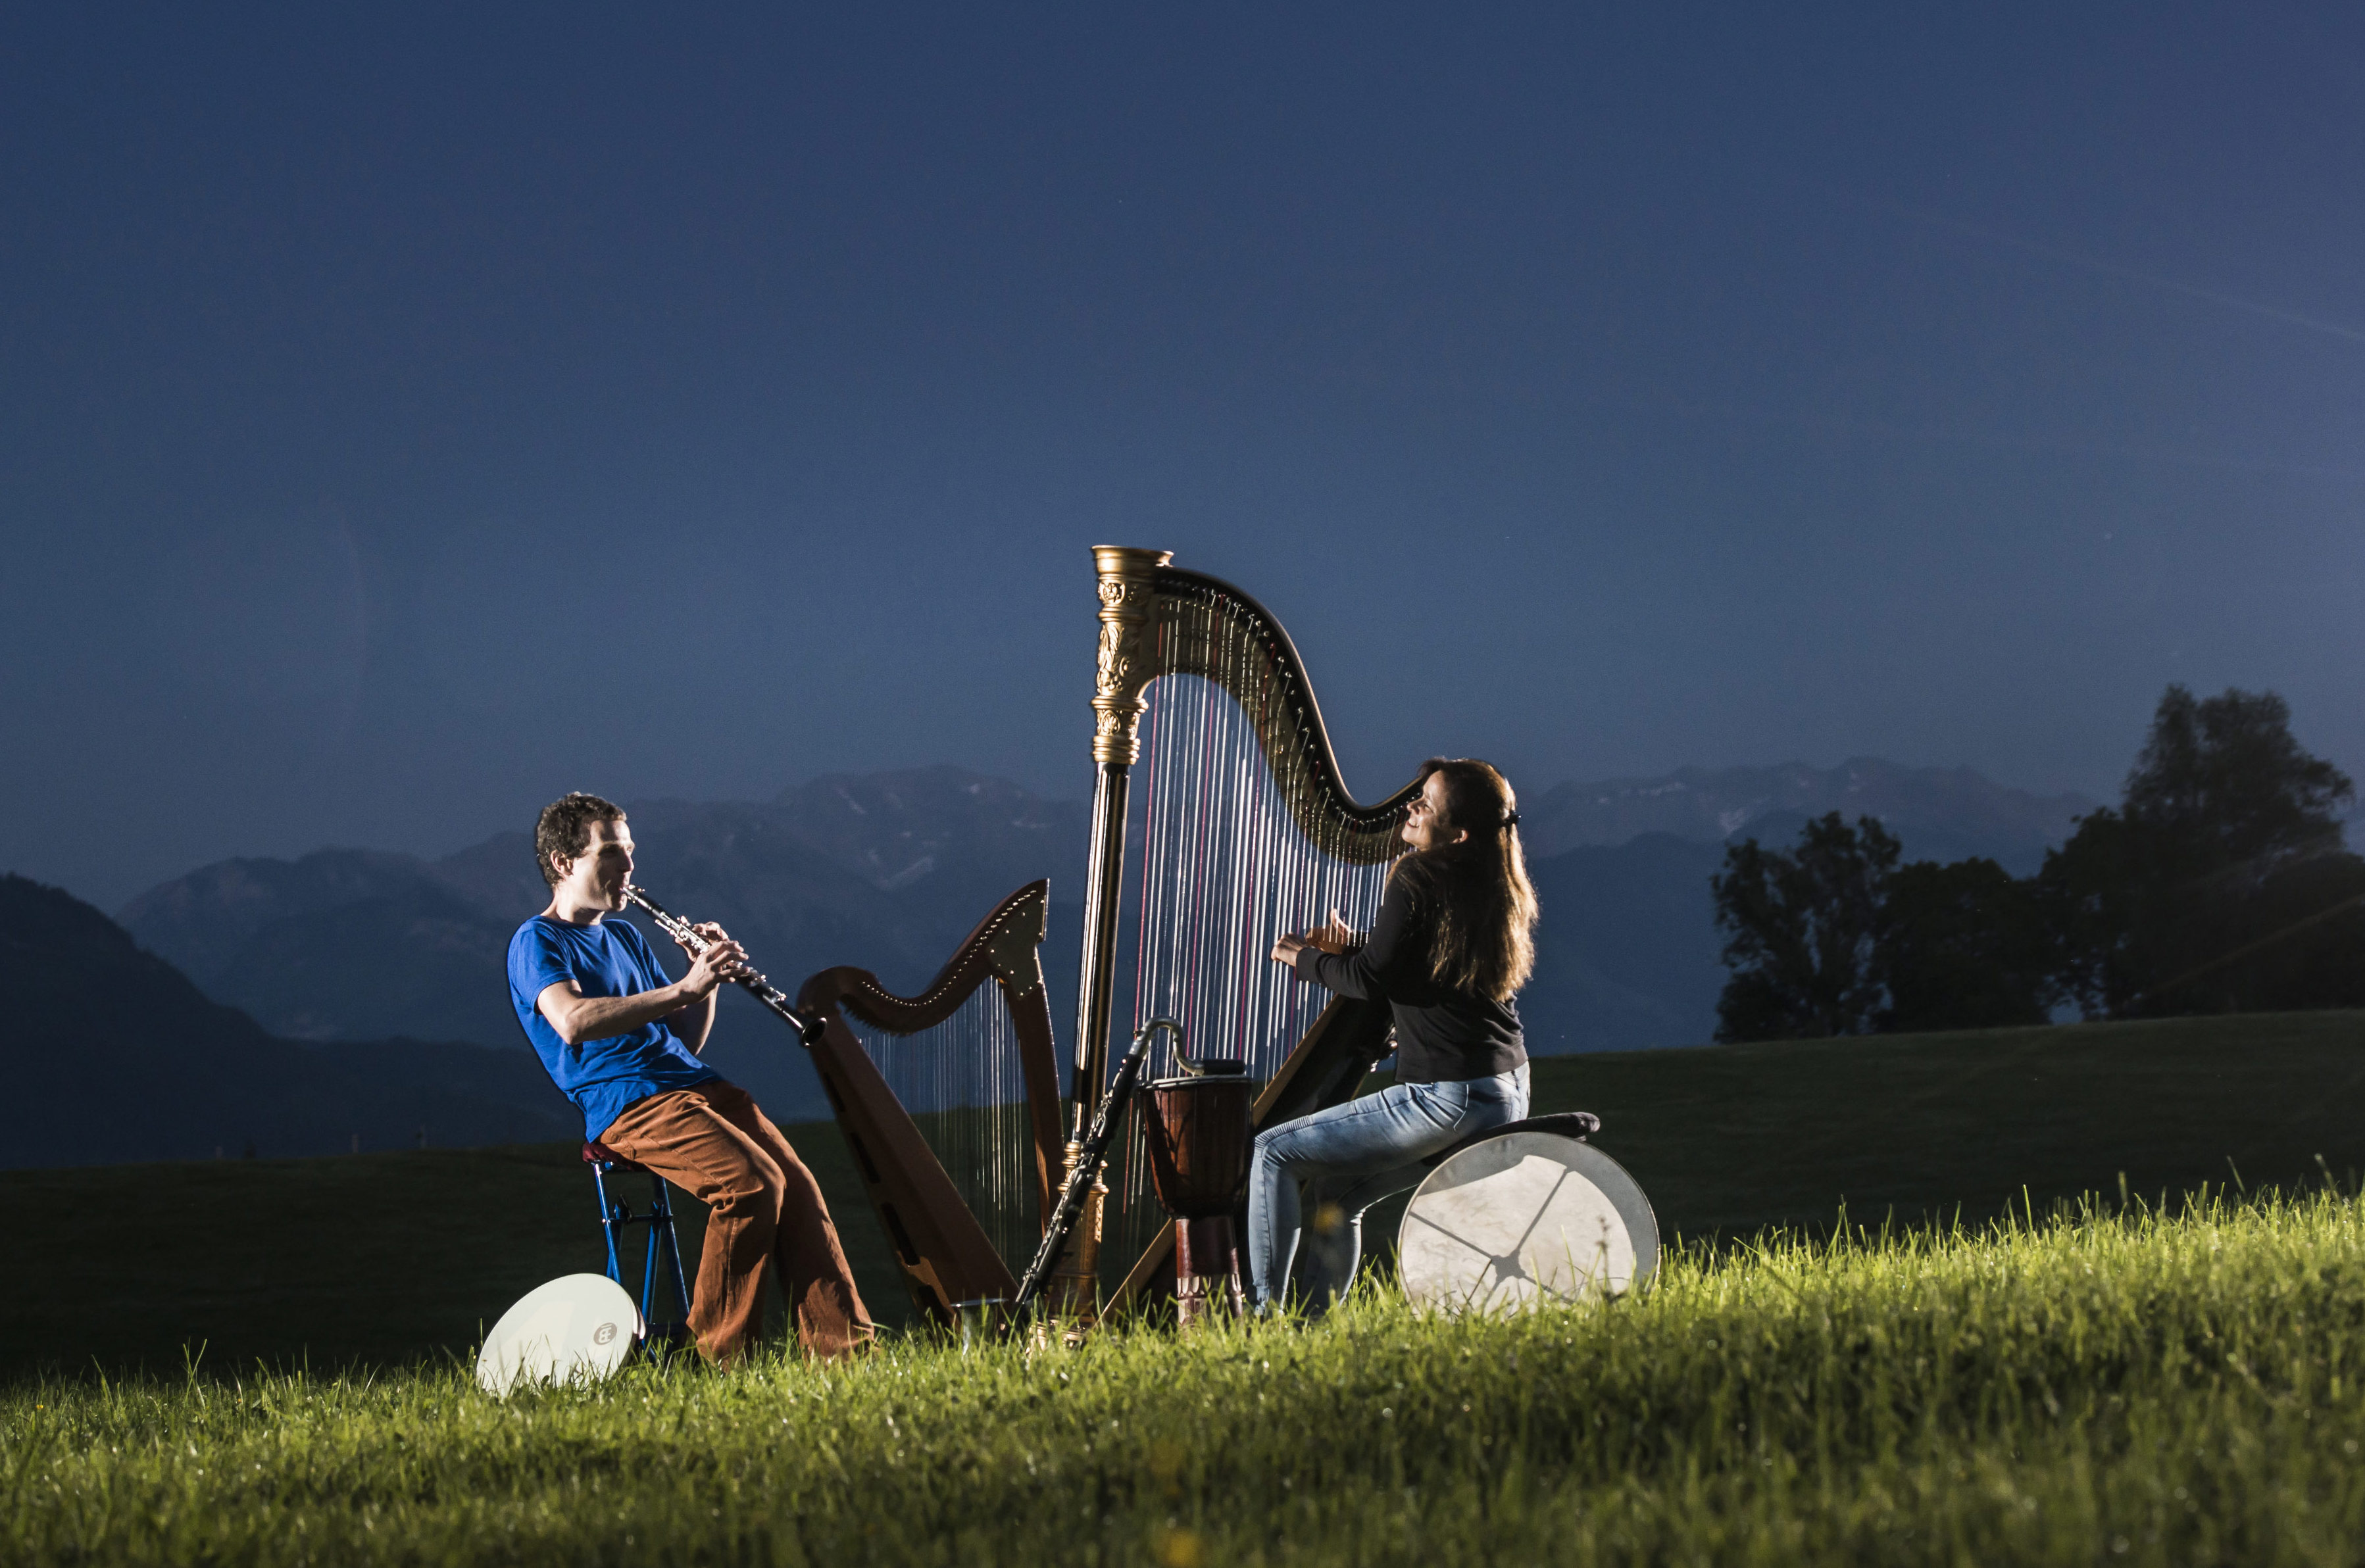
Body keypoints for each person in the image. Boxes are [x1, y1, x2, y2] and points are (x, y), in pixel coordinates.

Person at [506, 792, 871, 1363]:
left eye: (629, 852)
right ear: (563, 862)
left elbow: (684, 1038)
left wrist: (706, 979)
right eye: (610, 854)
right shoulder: (538, 941)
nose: (628, 867)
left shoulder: (626, 936)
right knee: (751, 1186)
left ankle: (846, 1355)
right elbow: (573, 1022)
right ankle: (716, 1358)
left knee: (798, 1190)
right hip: (630, 1103)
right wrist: (682, 987)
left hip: (693, 1084)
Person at [1248, 758, 1538, 1313]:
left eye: (1424, 804)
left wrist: (1302, 958)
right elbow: (1416, 964)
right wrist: (1354, 944)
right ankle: (1311, 1331)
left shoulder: (1417, 874)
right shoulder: (1493, 879)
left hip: (1445, 1098)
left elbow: (1368, 980)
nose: (1410, 807)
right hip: (1506, 1092)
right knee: (1338, 1194)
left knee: (1272, 1152)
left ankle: (1259, 1322)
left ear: (1456, 832)